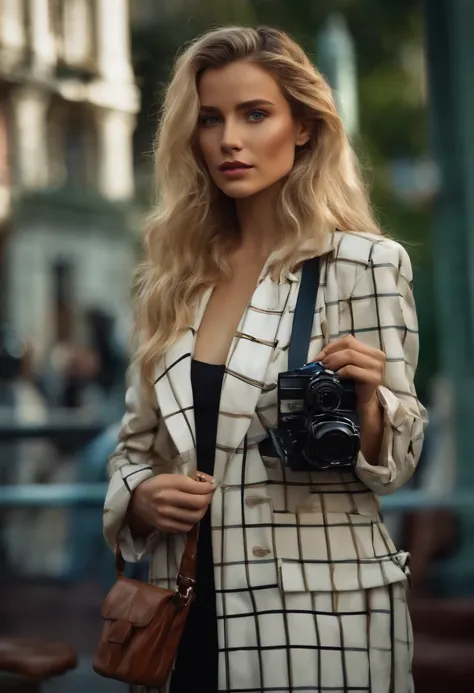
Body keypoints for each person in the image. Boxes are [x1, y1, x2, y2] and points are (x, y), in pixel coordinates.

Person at [103, 26, 427, 693]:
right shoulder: (169, 280)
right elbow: (132, 450)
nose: (229, 140)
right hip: (183, 612)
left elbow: (399, 456)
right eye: (211, 119)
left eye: (255, 114)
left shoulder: (364, 264)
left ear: (303, 126)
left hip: (321, 622)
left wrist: (369, 403)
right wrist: (141, 497)